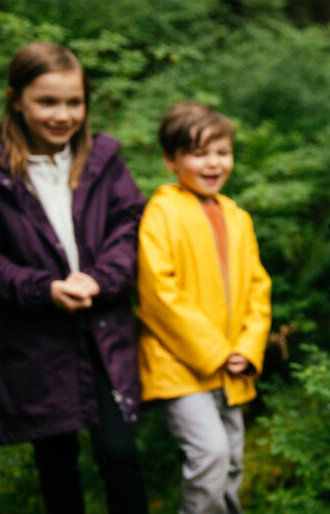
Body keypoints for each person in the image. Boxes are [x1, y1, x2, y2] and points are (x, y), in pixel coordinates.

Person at [0, 42, 148, 513]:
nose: (63, 115)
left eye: (73, 102)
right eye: (47, 102)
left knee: (120, 453)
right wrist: (44, 290)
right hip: (36, 337)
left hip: (104, 331)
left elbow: (132, 228)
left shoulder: (105, 162)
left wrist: (100, 278)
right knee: (56, 465)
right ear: (15, 98)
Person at [137, 101, 272, 514]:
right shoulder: (162, 210)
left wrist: (246, 349)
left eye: (222, 152)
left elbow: (257, 289)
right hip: (181, 366)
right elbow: (159, 292)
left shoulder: (238, 217)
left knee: (232, 461)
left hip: (233, 369)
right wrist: (216, 352)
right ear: (171, 160)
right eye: (199, 153)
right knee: (210, 455)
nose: (214, 163)